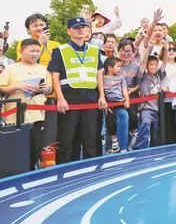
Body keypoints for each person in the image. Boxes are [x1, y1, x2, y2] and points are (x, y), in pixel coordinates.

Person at [48, 17, 107, 164]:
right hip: (69, 100)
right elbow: (55, 76)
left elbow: (99, 74)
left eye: (83, 27)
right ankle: (65, 171)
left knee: (91, 139)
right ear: (69, 31)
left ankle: (92, 169)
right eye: (76, 28)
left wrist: (102, 96)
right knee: (67, 141)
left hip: (91, 100)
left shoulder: (94, 50)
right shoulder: (60, 51)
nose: (80, 30)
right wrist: (60, 98)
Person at [0, 38, 53, 169]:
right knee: (17, 149)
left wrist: (45, 88)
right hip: (15, 116)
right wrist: (18, 86)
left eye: (37, 51)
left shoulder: (44, 69)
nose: (35, 54)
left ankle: (32, 171)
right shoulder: (11, 68)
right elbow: (2, 88)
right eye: (31, 51)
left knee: (35, 148)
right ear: (22, 51)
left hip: (38, 115)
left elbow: (50, 89)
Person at [133, 50, 166, 149]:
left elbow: (165, 63)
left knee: (155, 131)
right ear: (147, 66)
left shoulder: (158, 76)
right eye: (151, 65)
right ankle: (139, 147)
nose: (154, 67)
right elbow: (143, 63)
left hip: (156, 108)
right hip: (146, 107)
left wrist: (166, 49)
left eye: (155, 65)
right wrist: (149, 47)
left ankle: (153, 148)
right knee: (145, 124)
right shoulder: (143, 76)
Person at [102, 57, 130, 153]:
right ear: (109, 68)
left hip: (120, 104)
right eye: (118, 66)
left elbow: (124, 89)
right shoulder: (102, 78)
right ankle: (110, 145)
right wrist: (105, 103)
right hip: (109, 104)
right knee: (109, 123)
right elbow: (101, 91)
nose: (120, 68)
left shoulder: (121, 78)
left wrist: (127, 99)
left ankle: (123, 147)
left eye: (120, 66)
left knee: (124, 115)